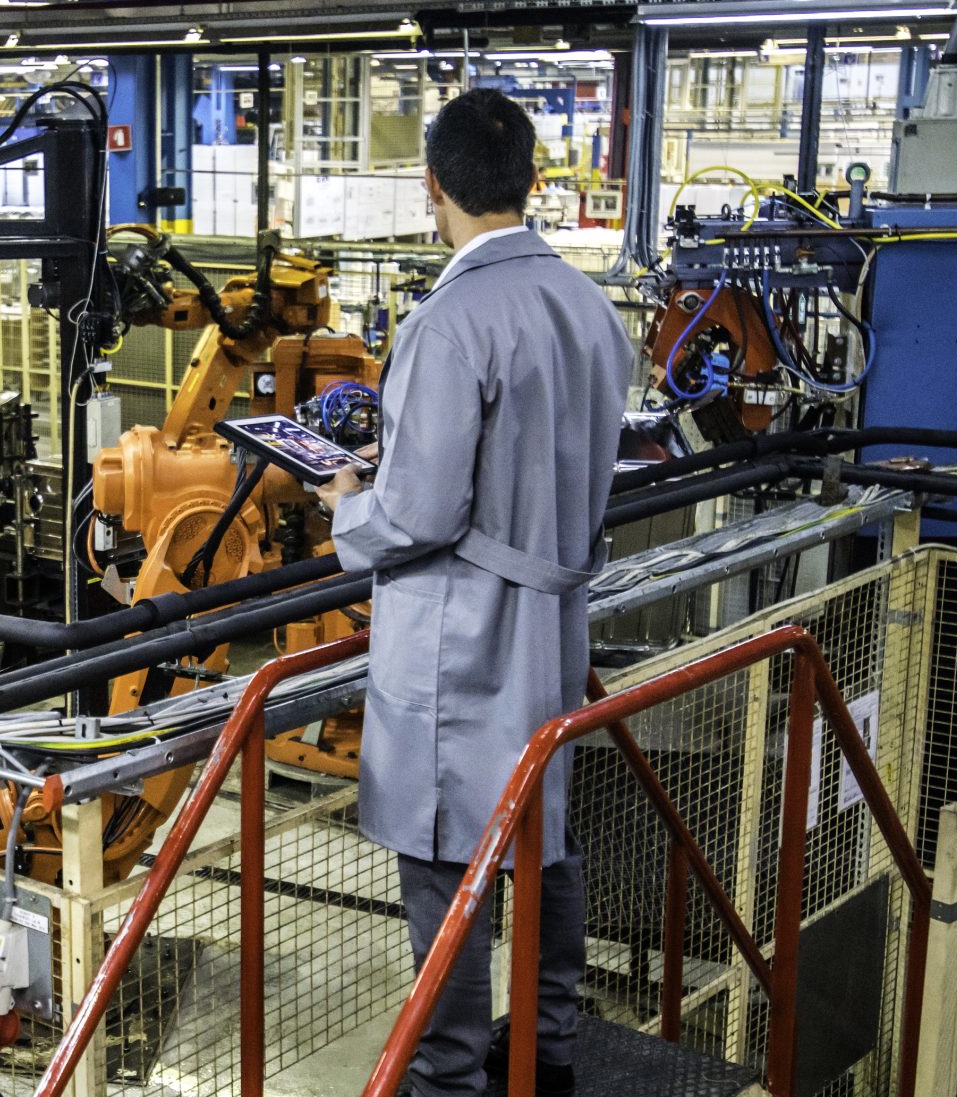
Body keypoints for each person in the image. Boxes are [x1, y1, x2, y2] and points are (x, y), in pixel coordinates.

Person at [316, 88, 631, 1097]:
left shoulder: (448, 322)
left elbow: (420, 512)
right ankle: (549, 1044)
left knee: (444, 854)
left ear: (432, 186)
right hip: (553, 616)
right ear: (532, 180)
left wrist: (350, 504)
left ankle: (447, 1074)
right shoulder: (587, 304)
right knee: (543, 834)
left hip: (464, 633)